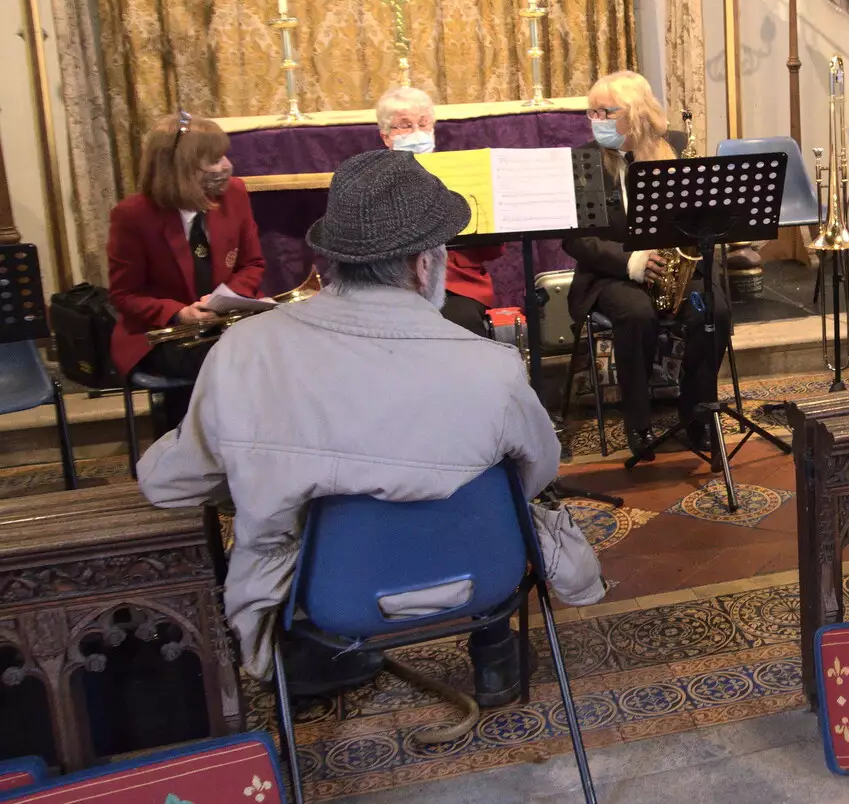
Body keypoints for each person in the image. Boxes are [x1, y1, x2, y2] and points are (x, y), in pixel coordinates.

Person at [137, 149, 574, 706]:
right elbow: (537, 475)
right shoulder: (494, 367)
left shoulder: (244, 350)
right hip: (478, 577)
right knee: (491, 484)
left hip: (326, 592)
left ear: (331, 261)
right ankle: (494, 655)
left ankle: (322, 659)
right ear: (424, 265)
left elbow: (174, 483)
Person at [562, 71, 731, 466]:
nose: (596, 119)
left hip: (675, 266)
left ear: (635, 113)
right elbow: (575, 239)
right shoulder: (584, 159)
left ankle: (697, 411)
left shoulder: (675, 147)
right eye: (592, 111)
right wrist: (629, 261)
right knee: (637, 314)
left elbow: (700, 214)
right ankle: (638, 423)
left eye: (606, 111)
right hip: (611, 273)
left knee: (715, 312)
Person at [108, 111, 265, 436]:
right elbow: (125, 296)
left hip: (222, 326)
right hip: (164, 336)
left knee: (278, 344)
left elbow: (252, 265)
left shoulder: (234, 193)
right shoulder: (132, 216)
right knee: (234, 360)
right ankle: (207, 449)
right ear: (177, 168)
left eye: (224, 155)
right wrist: (179, 313)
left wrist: (226, 298)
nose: (226, 166)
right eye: (212, 160)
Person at [375, 86, 506, 336]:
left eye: (423, 124)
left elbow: (491, 249)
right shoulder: (372, 180)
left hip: (455, 284)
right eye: (404, 125)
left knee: (461, 320)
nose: (416, 132)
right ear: (386, 137)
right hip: (392, 283)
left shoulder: (461, 173)